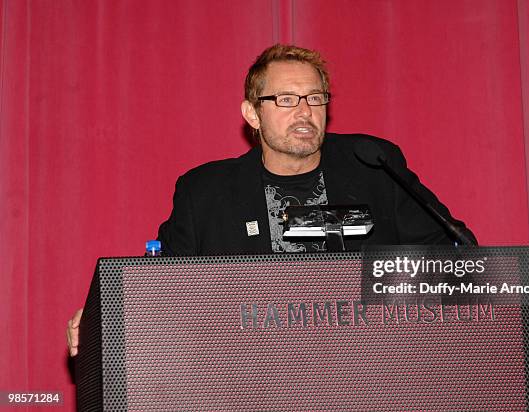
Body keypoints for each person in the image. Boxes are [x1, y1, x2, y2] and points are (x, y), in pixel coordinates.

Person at [67, 44, 476, 356]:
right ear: (252, 113)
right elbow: (166, 288)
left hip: (372, 368)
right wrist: (109, 315)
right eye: (285, 99)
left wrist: (371, 291)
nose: (304, 112)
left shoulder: (372, 164)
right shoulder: (205, 192)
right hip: (255, 375)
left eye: (315, 98)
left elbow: (457, 257)